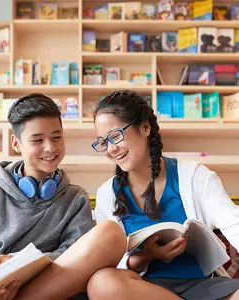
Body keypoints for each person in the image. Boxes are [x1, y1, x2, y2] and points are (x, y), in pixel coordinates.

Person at [0, 93, 127, 300]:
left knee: (107, 235)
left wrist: (18, 263)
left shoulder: (76, 198)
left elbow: (75, 256)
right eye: (37, 140)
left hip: (45, 286)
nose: (50, 147)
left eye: (56, 137)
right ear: (16, 144)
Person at [87, 90, 239, 300]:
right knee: (101, 283)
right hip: (144, 291)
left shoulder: (195, 176)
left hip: (204, 287)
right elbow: (112, 264)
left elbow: (235, 226)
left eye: (115, 136)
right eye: (102, 142)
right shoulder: (107, 194)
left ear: (145, 127)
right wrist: (149, 255)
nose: (111, 149)